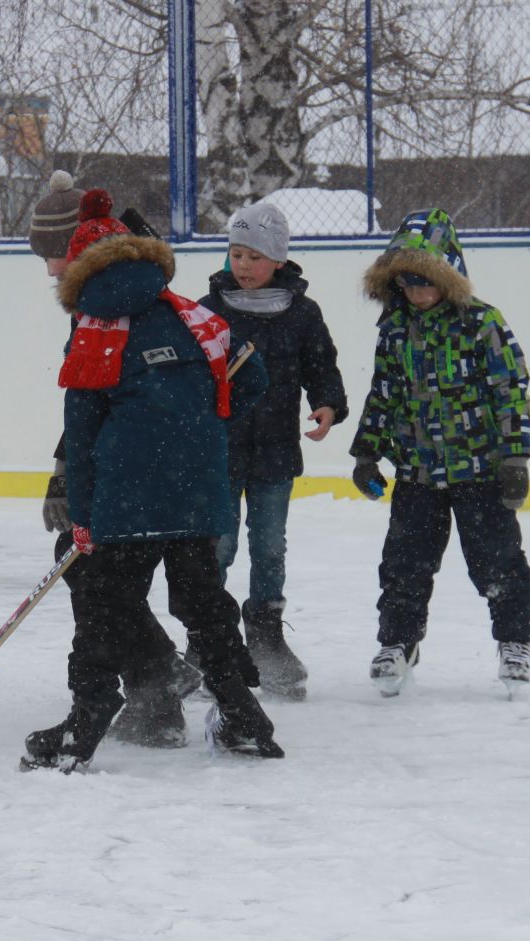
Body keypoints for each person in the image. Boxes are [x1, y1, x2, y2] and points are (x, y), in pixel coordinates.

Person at [22, 190, 277, 772]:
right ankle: (244, 715)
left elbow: (83, 437)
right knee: (203, 603)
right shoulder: (195, 314)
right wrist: (200, 422)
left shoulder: (94, 329)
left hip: (126, 500)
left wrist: (83, 517)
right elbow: (252, 376)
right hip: (198, 491)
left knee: (102, 604)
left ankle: (85, 722)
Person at [28, 171, 200, 747]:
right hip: (147, 468)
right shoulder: (110, 290)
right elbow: (86, 404)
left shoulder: (118, 302)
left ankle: (155, 687)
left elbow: (106, 404)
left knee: (95, 571)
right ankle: (162, 673)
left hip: (152, 474)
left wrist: (82, 484)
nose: (51, 270)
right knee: (93, 571)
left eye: (55, 254)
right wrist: (66, 476)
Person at [347, 208, 530, 699]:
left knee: (498, 561)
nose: (418, 293)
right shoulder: (394, 330)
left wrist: (515, 458)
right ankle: (397, 643)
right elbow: (384, 393)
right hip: (417, 472)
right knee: (405, 563)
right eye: (408, 283)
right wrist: (367, 452)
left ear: (449, 273)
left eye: (427, 281)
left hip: (479, 468)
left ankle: (514, 641)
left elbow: (510, 389)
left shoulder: (481, 322)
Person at [199, 199, 349, 701]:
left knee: (269, 546)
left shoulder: (302, 313)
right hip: (219, 452)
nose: (243, 266)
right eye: (236, 254)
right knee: (216, 547)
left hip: (276, 452)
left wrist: (327, 404)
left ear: (278, 260)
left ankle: (265, 634)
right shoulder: (210, 310)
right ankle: (206, 638)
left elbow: (321, 366)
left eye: (254, 257)